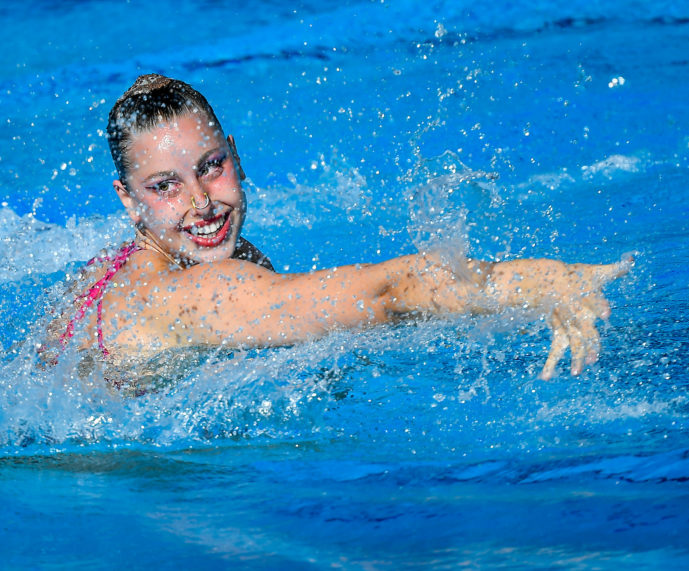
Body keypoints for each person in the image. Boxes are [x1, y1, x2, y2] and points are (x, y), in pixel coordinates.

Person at [43, 74, 630, 390]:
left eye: (210, 167)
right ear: (129, 201)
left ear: (236, 158)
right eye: (165, 186)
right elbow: (386, 293)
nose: (200, 203)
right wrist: (545, 282)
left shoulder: (113, 271)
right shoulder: (194, 291)